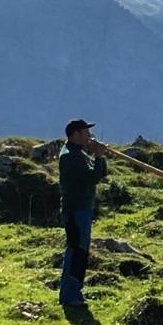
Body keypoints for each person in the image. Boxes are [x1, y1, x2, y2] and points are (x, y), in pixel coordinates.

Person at [58, 119, 107, 305]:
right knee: (76, 251)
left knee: (81, 251)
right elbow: (92, 177)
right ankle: (69, 295)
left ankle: (75, 292)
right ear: (75, 135)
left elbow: (100, 174)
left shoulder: (78, 153)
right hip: (76, 210)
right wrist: (99, 156)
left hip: (82, 208)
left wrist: (98, 156)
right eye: (85, 133)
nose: (89, 136)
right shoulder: (71, 156)